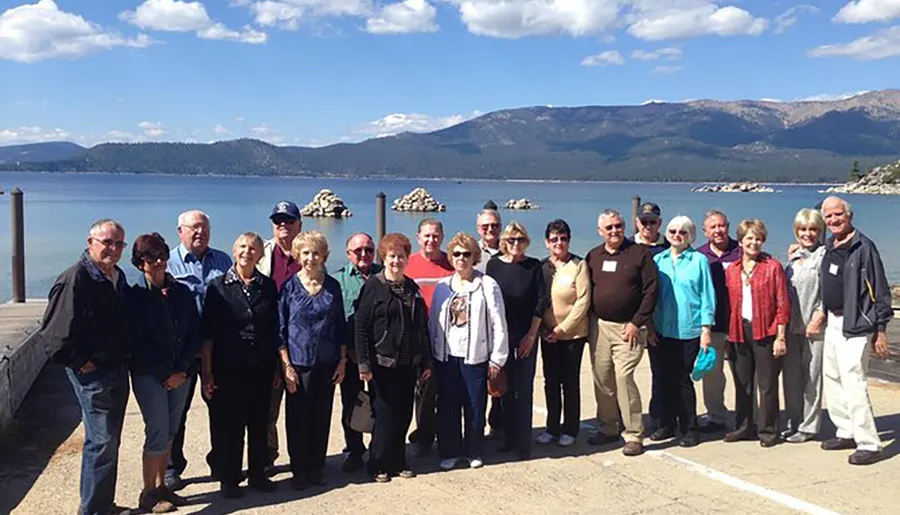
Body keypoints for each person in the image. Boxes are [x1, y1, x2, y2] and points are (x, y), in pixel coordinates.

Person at [40, 219, 132, 515]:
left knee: (109, 441)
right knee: (101, 441)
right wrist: (80, 361)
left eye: (119, 244)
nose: (114, 249)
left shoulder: (115, 276)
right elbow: (54, 334)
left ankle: (103, 504)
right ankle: (92, 510)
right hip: (92, 373)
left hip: (117, 368)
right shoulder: (75, 278)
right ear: (90, 242)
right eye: (108, 242)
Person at [200, 233, 279, 498]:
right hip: (228, 366)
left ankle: (257, 474)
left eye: (253, 248)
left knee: (259, 423)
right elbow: (207, 334)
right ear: (234, 251)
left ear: (260, 254)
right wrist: (207, 372)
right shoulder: (217, 287)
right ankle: (230, 478)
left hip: (261, 366)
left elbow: (273, 330)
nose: (248, 252)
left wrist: (278, 367)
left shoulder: (268, 287)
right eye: (243, 247)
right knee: (230, 426)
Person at [127, 233, 201, 513]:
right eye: (150, 257)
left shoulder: (180, 290)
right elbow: (136, 341)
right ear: (139, 262)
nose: (158, 261)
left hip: (180, 372)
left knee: (171, 430)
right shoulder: (134, 294)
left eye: (161, 255)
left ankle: (161, 486)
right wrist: (165, 374)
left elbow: (194, 330)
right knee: (157, 431)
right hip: (150, 374)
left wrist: (181, 369)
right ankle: (148, 492)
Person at [355, 233, 433, 483]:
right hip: (382, 362)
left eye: (400, 256)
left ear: (407, 259)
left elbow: (421, 327)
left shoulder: (411, 287)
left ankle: (399, 459)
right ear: (384, 258)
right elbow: (360, 326)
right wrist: (364, 363)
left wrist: (426, 360)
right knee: (384, 415)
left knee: (403, 414)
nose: (396, 261)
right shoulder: (374, 286)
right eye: (391, 256)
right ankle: (377, 463)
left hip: (408, 363)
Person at [818, 196, 890, 465]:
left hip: (857, 324)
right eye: (828, 217)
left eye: (838, 215)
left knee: (854, 381)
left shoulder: (864, 247)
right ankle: (846, 430)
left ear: (849, 216)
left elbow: (880, 289)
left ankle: (870, 443)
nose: (834, 220)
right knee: (833, 377)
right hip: (833, 322)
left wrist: (880, 329)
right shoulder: (829, 246)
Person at [430, 232, 509, 470]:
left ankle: (474, 450)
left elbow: (498, 322)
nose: (461, 258)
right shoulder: (443, 286)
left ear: (474, 256)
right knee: (448, 405)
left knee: (474, 405)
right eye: (456, 254)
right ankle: (450, 451)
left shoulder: (487, 284)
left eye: (466, 254)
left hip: (475, 356)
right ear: (451, 257)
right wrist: (433, 354)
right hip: (446, 356)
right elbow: (434, 321)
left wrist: (497, 358)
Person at [165, 210, 232, 489]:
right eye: (193, 228)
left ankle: (221, 462)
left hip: (218, 349)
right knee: (176, 414)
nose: (199, 233)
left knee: (221, 409)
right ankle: (172, 467)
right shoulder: (168, 262)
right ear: (180, 231)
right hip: (182, 352)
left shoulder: (223, 260)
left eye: (204, 228)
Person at [585, 209, 657, 456]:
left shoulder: (639, 253)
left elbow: (651, 291)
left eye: (618, 226)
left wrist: (637, 322)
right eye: (609, 228)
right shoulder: (593, 256)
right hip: (600, 326)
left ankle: (634, 434)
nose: (614, 231)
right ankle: (608, 427)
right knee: (602, 377)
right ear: (600, 231)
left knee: (623, 377)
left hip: (630, 328)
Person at [279, 231, 347, 489]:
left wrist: (342, 361)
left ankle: (316, 468)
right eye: (305, 253)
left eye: (315, 252)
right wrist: (286, 365)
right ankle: (299, 470)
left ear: (324, 256)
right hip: (298, 364)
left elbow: (340, 325)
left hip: (327, 363)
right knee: (297, 420)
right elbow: (281, 328)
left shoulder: (333, 286)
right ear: (298, 255)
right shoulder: (289, 287)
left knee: (321, 417)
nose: (310, 258)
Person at [649, 216, 715, 448]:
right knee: (663, 379)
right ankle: (666, 424)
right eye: (673, 231)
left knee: (682, 381)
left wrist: (706, 329)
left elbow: (707, 296)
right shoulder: (658, 260)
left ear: (690, 236)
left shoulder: (699, 261)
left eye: (683, 232)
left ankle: (690, 428)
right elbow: (651, 296)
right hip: (661, 329)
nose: (677, 235)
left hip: (689, 330)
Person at [723, 220, 789, 448]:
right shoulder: (732, 270)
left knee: (767, 384)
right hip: (740, 331)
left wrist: (780, 336)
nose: (754, 242)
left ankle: (769, 431)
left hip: (766, 331)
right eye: (749, 238)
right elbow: (729, 305)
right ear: (740, 241)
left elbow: (782, 303)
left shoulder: (773, 267)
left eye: (758, 238)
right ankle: (743, 427)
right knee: (742, 384)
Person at [486, 222, 547, 460]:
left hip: (525, 336)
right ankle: (507, 437)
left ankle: (523, 442)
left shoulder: (533, 266)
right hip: (500, 336)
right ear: (504, 242)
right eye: (511, 240)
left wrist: (531, 336)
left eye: (520, 240)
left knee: (524, 389)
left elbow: (540, 302)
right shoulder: (494, 265)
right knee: (504, 389)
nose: (516, 245)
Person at [256, 200, 303, 471]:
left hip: (300, 344)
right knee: (267, 409)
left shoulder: (309, 253)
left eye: (288, 220)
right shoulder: (263, 253)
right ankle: (267, 459)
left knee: (299, 409)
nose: (282, 225)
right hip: (268, 343)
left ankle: (302, 459)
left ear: (299, 224)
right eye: (277, 221)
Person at [535, 219, 589, 447]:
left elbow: (583, 302)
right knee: (550, 381)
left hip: (572, 335)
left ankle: (570, 429)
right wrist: (545, 330)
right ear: (547, 242)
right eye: (554, 239)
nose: (559, 243)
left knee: (569, 382)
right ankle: (552, 427)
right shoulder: (542, 267)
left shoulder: (579, 265)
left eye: (564, 238)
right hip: (547, 335)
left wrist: (561, 329)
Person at [332, 232, 383, 472]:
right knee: (351, 405)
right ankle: (354, 450)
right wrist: (347, 353)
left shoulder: (384, 275)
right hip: (351, 357)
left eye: (369, 250)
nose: (364, 254)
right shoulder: (338, 281)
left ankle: (378, 449)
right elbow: (337, 321)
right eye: (358, 250)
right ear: (348, 253)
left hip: (381, 356)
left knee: (381, 404)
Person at [405, 218, 453, 456]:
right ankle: (424, 436)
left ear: (442, 237)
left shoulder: (451, 263)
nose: (431, 240)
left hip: (448, 337)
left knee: (446, 390)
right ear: (418, 237)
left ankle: (445, 434)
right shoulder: (408, 264)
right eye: (427, 235)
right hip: (418, 337)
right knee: (422, 390)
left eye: (435, 235)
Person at [782, 208, 827, 443]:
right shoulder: (793, 256)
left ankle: (809, 426)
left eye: (812, 229)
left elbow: (829, 293)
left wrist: (818, 318)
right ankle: (793, 420)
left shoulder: (824, 256)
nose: (807, 234)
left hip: (814, 328)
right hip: (790, 327)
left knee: (812, 378)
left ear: (820, 231)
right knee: (790, 377)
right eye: (803, 229)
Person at [696, 209, 741, 433]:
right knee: (712, 375)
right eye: (712, 227)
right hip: (712, 326)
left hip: (738, 324)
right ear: (704, 231)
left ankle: (745, 415)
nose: (718, 230)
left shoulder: (741, 251)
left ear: (728, 226)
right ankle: (716, 416)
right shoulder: (698, 255)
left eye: (721, 225)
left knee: (742, 373)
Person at [633, 202, 669, 434]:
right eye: (644, 221)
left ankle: (660, 417)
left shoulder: (670, 246)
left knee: (662, 372)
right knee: (623, 373)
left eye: (652, 221)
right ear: (637, 223)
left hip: (660, 322)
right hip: (631, 322)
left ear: (660, 223)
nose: (648, 226)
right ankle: (623, 418)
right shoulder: (628, 246)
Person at [475, 206, 505, 439]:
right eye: (485, 226)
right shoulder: (471, 253)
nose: (490, 229)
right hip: (478, 327)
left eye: (494, 225)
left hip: (504, 326)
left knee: (501, 382)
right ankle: (476, 429)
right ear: (478, 228)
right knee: (478, 383)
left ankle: (499, 426)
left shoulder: (509, 250)